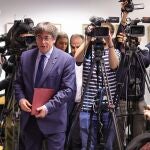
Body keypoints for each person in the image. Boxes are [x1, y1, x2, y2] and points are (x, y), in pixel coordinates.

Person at [14, 22, 76, 150]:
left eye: (46, 38)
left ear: (53, 39)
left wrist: (47, 107)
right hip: (30, 120)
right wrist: (20, 99)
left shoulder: (66, 60)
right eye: (39, 37)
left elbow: (68, 89)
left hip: (54, 120)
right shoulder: (26, 57)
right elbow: (18, 83)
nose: (42, 41)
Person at [74, 22, 120, 150]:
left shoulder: (114, 51)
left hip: (109, 104)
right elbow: (77, 59)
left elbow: (114, 66)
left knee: (108, 146)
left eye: (105, 31)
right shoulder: (88, 51)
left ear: (111, 34)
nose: (101, 35)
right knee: (87, 146)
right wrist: (88, 38)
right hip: (87, 105)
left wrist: (109, 42)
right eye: (98, 31)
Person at [67, 34, 84, 150]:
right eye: (72, 47)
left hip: (81, 105)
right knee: (65, 136)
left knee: (76, 139)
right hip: (66, 104)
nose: (75, 50)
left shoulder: (89, 61)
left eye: (78, 47)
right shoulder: (66, 60)